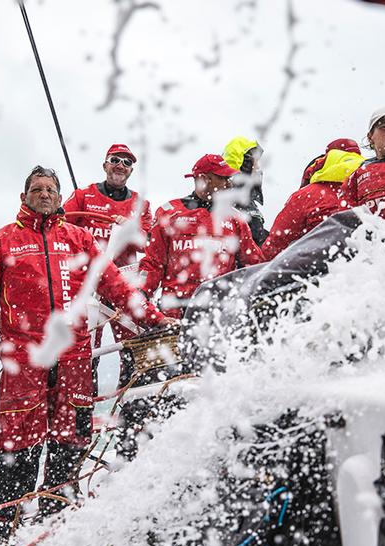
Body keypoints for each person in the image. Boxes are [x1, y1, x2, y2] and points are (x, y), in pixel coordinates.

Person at [0, 166, 173, 539]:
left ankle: (54, 519)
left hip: (74, 357)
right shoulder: (0, 242)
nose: (44, 194)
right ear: (24, 197)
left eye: (50, 189)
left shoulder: (80, 240)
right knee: (17, 444)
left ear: (59, 197)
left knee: (72, 437)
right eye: (37, 188)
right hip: (25, 360)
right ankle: (4, 526)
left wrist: (154, 319)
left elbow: (117, 287)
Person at [62, 143, 153, 388]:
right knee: (88, 346)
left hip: (122, 283)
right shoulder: (83, 196)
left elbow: (149, 244)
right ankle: (84, 403)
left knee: (132, 347)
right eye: (115, 160)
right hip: (87, 284)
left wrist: (131, 230)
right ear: (105, 165)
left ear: (131, 171)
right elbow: (59, 226)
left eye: (127, 162)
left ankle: (129, 402)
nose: (120, 166)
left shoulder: (140, 205)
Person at [138, 154, 265, 317]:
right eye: (223, 178)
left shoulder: (236, 219)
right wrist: (140, 293)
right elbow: (153, 263)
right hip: (175, 313)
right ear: (205, 179)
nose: (228, 184)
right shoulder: (169, 213)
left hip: (220, 312)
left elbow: (253, 265)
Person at [260, 141, 366, 260]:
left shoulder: (307, 195)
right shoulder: (369, 189)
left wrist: (259, 269)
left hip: (314, 268)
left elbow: (276, 243)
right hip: (364, 270)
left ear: (327, 159)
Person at [222, 136, 267, 245]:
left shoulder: (242, 197)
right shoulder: (233, 199)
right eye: (256, 162)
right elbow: (253, 238)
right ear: (246, 163)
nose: (258, 168)